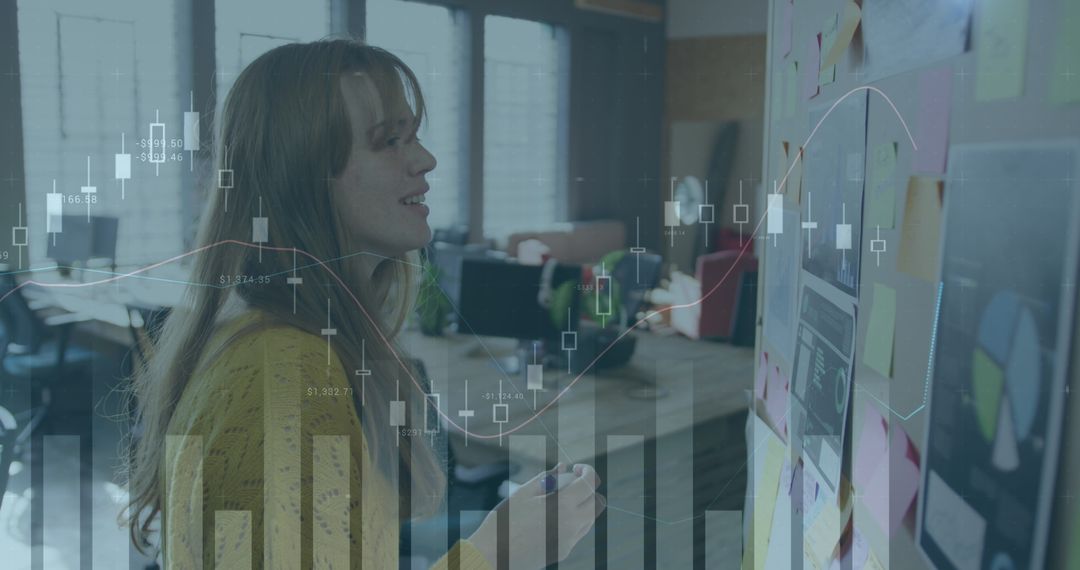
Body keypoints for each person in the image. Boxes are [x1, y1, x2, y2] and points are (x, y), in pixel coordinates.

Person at [122, 39, 604, 569]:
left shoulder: (297, 344)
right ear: (304, 177)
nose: (425, 159)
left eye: (414, 135)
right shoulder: (288, 376)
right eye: (389, 141)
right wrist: (496, 554)